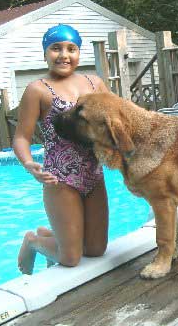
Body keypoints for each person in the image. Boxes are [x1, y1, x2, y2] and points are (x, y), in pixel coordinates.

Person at [13, 24, 110, 275]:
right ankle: (32, 241)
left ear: (79, 53)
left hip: (94, 175)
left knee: (96, 249)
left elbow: (117, 118)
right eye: (55, 48)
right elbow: (21, 137)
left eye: (71, 48)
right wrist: (29, 164)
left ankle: (48, 235)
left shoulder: (95, 82)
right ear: (46, 53)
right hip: (59, 179)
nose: (64, 55)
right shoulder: (38, 90)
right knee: (70, 258)